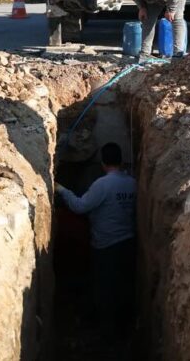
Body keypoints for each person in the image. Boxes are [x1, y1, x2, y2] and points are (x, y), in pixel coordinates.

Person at [56, 142, 137, 339]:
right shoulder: (132, 182)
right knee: (123, 287)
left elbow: (79, 206)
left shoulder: (102, 184)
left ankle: (107, 335)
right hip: (128, 243)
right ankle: (125, 331)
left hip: (106, 246)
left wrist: (61, 190)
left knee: (105, 290)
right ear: (121, 160)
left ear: (103, 162)